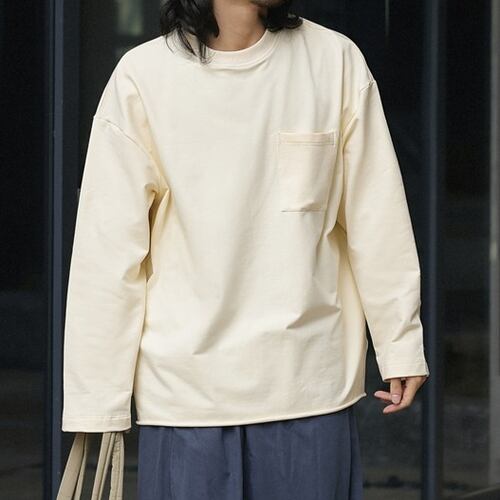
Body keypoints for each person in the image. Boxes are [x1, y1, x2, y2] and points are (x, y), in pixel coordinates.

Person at [61, 0, 430, 498]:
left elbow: (376, 218)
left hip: (309, 391)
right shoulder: (143, 77)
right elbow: (107, 254)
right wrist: (97, 401)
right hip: (185, 400)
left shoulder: (334, 61)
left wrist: (400, 344)